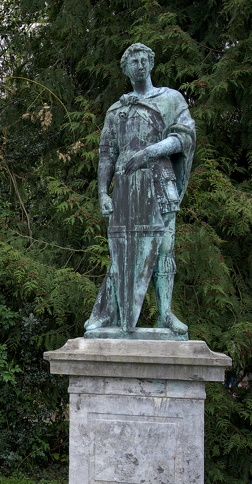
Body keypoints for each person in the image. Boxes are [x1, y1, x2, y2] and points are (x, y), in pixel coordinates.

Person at [85, 43, 195, 337]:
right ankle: (112, 314)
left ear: (151, 63)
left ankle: (166, 314)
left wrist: (148, 153)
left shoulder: (170, 99)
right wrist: (102, 193)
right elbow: (107, 153)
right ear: (126, 68)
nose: (140, 64)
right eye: (133, 61)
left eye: (144, 59)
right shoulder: (117, 109)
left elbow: (183, 138)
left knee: (164, 249)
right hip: (125, 188)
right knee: (121, 252)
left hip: (160, 182)